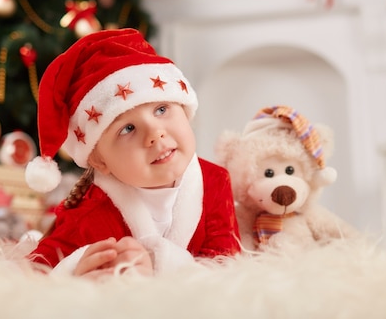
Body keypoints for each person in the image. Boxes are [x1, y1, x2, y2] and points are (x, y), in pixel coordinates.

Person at [24, 28, 241, 280]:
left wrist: (156, 262)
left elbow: (226, 264)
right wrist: (76, 271)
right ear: (99, 160)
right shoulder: (91, 211)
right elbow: (37, 269)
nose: (154, 134)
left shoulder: (215, 181)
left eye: (161, 109)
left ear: (184, 109)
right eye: (127, 129)